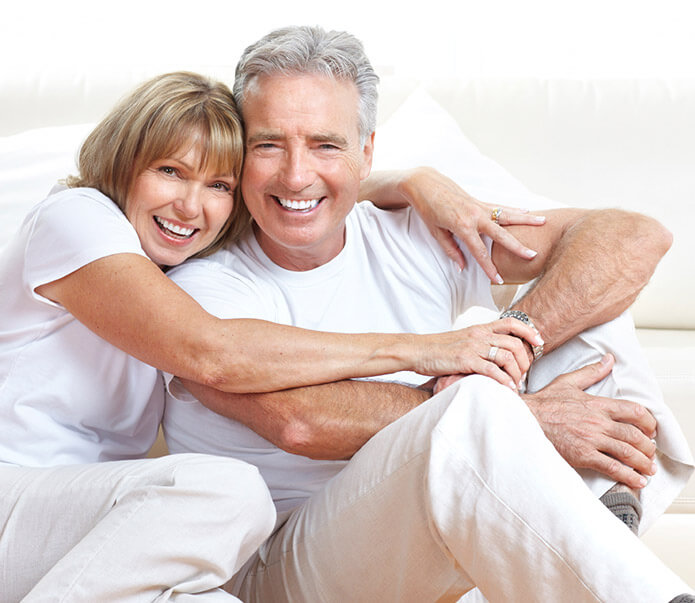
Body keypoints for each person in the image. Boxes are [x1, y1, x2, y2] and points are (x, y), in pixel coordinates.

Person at [161, 26, 695, 602]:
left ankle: (602, 522)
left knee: (590, 305)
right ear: (239, 154)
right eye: (268, 144)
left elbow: (633, 236)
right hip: (279, 562)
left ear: (367, 151)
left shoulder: (414, 234)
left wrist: (520, 337)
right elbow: (301, 421)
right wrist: (520, 419)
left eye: (325, 145)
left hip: (428, 524)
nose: (296, 175)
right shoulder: (199, 287)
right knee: (470, 406)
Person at [0, 70, 549, 601]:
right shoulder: (75, 218)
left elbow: (293, 195)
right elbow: (209, 352)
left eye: (218, 184)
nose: (191, 206)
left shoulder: (176, 262)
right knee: (232, 494)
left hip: (105, 528)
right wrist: (421, 350)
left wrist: (404, 180)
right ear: (124, 164)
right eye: (169, 171)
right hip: (15, 497)